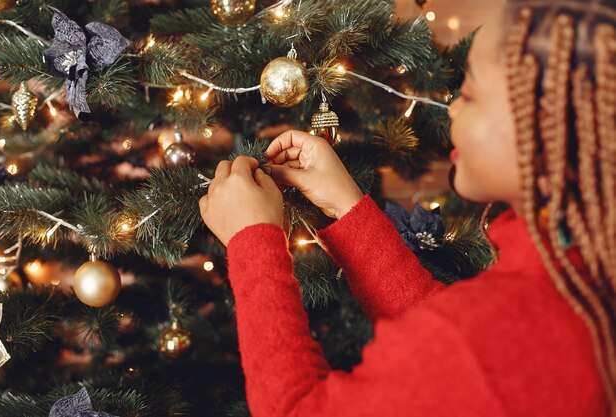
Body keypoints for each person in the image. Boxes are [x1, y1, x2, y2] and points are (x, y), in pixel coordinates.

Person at [198, 0, 616, 415]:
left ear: (549, 127)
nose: (453, 108)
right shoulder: (578, 273)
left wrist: (252, 241)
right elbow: (453, 360)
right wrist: (348, 207)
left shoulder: (500, 330)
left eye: (470, 95)